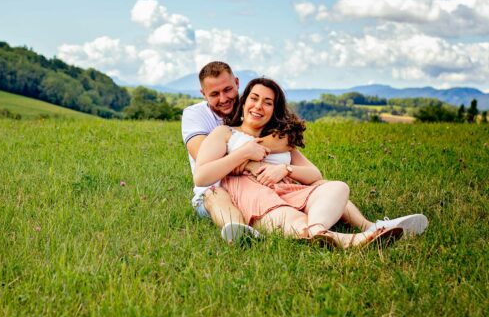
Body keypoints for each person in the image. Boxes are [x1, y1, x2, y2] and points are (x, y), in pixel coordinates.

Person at [181, 62, 428, 243]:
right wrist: (246, 157)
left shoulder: (279, 135)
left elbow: (312, 172)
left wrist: (283, 168)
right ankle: (350, 239)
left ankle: (353, 228)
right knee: (224, 198)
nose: (223, 98)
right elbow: (203, 171)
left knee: (334, 186)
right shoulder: (221, 131)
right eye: (215, 94)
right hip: (236, 191)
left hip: (286, 187)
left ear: (237, 88)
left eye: (267, 102)